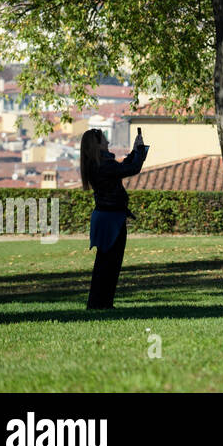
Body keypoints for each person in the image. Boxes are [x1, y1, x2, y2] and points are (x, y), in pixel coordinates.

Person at [81, 127, 149, 310]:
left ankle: (99, 303)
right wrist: (139, 151)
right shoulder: (103, 165)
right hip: (111, 220)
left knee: (105, 263)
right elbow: (131, 168)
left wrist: (136, 151)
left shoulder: (98, 164)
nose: (108, 143)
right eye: (104, 140)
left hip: (105, 218)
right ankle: (101, 304)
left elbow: (122, 168)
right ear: (97, 145)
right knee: (110, 264)